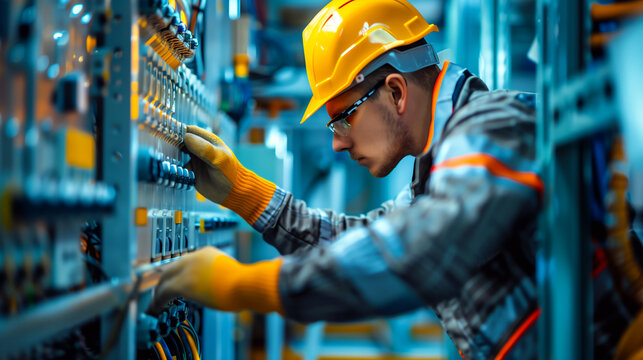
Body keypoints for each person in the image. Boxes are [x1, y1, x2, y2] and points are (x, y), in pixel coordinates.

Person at [149, 0, 542, 358]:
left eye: (342, 118)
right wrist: (245, 193)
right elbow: (365, 241)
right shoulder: (435, 174)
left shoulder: (493, 125)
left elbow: (416, 254)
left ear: (396, 92)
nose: (337, 143)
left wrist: (243, 285)